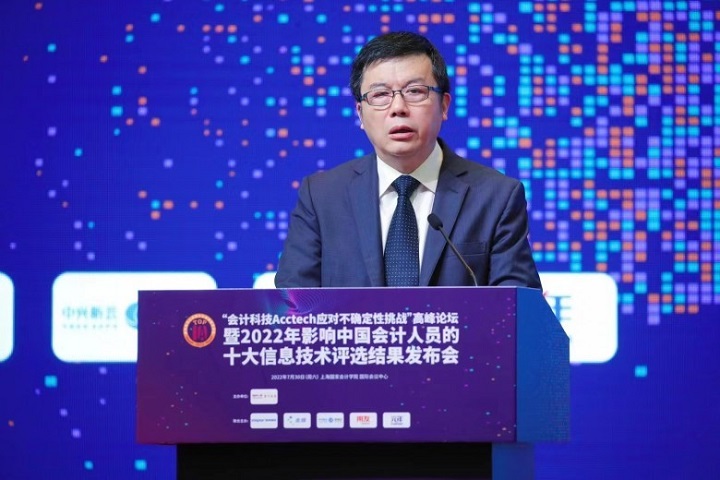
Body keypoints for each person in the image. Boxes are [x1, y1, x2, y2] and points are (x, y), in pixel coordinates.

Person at [275, 31, 541, 289]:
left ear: (444, 105)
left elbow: (516, 305)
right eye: (380, 95)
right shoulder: (322, 197)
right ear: (360, 113)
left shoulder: (496, 196)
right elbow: (292, 304)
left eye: (415, 91)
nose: (398, 108)